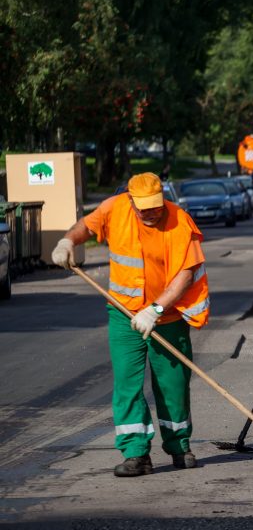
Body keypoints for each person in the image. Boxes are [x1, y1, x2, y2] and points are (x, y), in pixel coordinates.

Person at [51, 172, 209, 476]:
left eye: (155, 205)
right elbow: (86, 225)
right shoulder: (114, 208)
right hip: (123, 314)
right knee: (127, 384)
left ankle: (179, 446)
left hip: (167, 317)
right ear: (131, 201)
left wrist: (156, 309)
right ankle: (136, 453)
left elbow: (186, 274)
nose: (150, 212)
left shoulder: (179, 221)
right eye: (144, 207)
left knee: (173, 386)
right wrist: (67, 241)